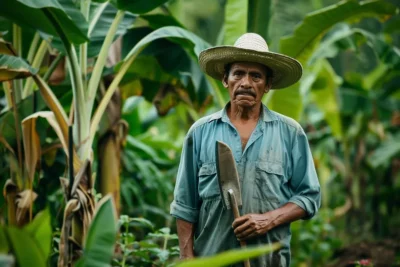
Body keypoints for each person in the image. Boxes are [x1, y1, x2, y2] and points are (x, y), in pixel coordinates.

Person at [170, 33, 321, 267]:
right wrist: (186, 259)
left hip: (269, 261)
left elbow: (309, 196)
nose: (246, 83)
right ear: (225, 79)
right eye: (238, 73)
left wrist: (268, 220)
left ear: (268, 85)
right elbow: (185, 205)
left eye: (256, 76)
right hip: (212, 260)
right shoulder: (200, 133)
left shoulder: (290, 133)